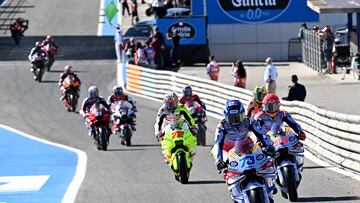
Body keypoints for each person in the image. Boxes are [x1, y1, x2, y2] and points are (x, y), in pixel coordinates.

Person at [211, 99, 276, 201]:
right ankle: (235, 192)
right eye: (232, 118)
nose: (235, 121)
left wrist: (268, 146)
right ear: (226, 116)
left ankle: (269, 182)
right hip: (228, 150)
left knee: (265, 154)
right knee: (224, 166)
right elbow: (218, 144)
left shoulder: (248, 121)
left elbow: (261, 134)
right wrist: (219, 160)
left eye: (238, 117)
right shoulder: (222, 126)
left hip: (246, 145)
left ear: (243, 114)